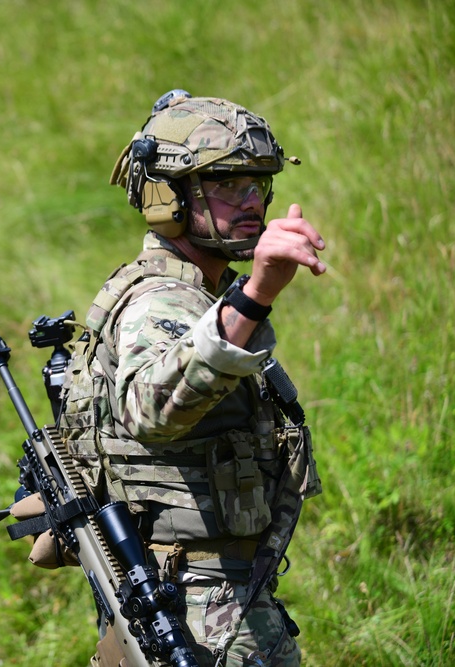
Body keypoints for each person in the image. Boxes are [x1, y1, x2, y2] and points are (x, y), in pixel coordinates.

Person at [57, 92, 324, 666]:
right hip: (196, 607)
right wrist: (256, 296)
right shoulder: (158, 300)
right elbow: (153, 410)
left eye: (258, 184)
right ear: (167, 196)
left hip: (222, 596)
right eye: (227, 184)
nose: (251, 202)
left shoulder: (199, 294)